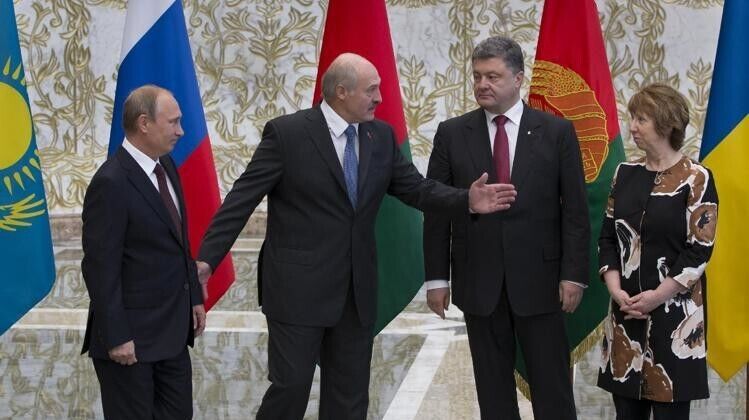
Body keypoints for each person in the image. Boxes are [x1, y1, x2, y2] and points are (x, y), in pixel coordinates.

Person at [195, 52, 516, 419]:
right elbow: (241, 199)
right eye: (371, 90)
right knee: (291, 389)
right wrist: (207, 260)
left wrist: (466, 200)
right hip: (297, 290)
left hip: (355, 292)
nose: (379, 98)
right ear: (341, 92)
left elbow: (417, 189)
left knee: (349, 398)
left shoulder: (380, 136)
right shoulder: (288, 134)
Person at [423, 36, 590, 420]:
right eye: (477, 76)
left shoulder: (557, 132)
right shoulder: (452, 133)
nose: (482, 84)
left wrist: (574, 275)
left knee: (553, 390)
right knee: (493, 392)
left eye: (493, 76)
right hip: (479, 282)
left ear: (517, 79)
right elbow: (436, 209)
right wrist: (436, 279)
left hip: (542, 282)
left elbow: (576, 211)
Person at [81, 85, 206, 419]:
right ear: (144, 123)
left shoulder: (167, 166)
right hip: (130, 342)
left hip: (172, 335)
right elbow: (100, 267)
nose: (181, 131)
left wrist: (194, 296)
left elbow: (179, 241)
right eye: (173, 122)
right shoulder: (111, 182)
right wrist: (116, 336)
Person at [597, 83, 718, 420]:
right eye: (633, 118)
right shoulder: (624, 174)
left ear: (667, 124)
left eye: (642, 119)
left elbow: (699, 251)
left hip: (675, 321)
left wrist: (655, 297)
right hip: (625, 315)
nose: (632, 127)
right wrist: (616, 291)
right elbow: (607, 238)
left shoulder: (697, 178)